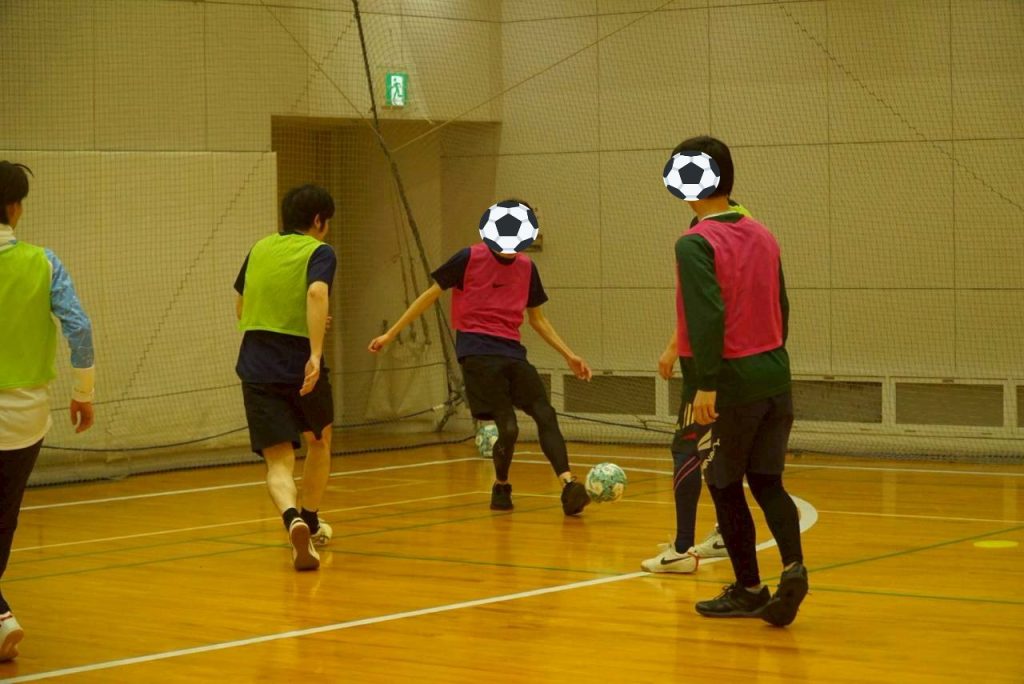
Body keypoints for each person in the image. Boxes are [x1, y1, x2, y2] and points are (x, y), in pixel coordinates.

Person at [369, 199, 593, 515]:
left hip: (512, 351)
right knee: (509, 428)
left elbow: (537, 319)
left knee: (545, 413)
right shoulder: (468, 258)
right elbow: (429, 296)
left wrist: (570, 354)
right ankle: (501, 485)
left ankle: (569, 485)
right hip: (476, 351)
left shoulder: (527, 268)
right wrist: (391, 334)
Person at [667, 137, 807, 625]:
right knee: (768, 481)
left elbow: (707, 315)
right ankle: (793, 568)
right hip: (774, 374)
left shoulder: (694, 243)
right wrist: (770, 355)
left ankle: (748, 588)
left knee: (724, 482)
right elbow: (782, 305)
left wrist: (707, 384)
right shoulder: (763, 233)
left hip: (729, 383)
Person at [0, 161, 96, 661]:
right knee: (4, 517)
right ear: (16, 208)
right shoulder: (45, 262)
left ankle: (0, 615)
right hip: (24, 418)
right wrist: (83, 391)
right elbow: (79, 327)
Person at [640, 199, 752, 575]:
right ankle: (724, 534)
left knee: (687, 449)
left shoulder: (700, 239)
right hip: (749, 368)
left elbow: (703, 310)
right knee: (722, 454)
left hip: (710, 371)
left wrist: (677, 351)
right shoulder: (751, 235)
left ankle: (681, 549)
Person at [235, 184, 337, 571]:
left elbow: (242, 303)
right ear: (318, 220)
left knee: (278, 461)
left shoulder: (259, 248)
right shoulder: (319, 252)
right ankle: (310, 518)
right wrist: (315, 352)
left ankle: (292, 518)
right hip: (298, 361)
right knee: (319, 440)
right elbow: (316, 294)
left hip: (256, 361)